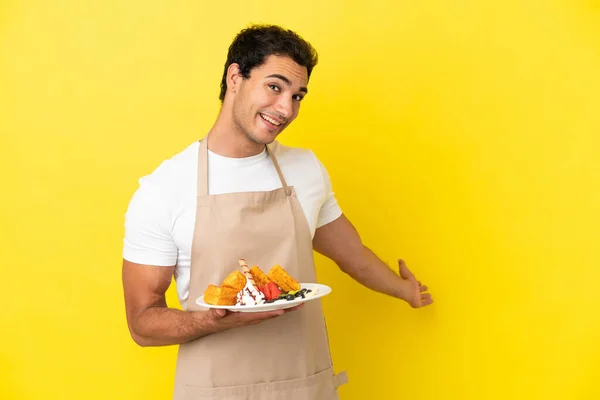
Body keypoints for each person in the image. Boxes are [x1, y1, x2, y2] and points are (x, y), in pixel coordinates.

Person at [121, 24, 433, 399]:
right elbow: (142, 323)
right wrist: (212, 319)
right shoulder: (164, 189)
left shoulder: (306, 170)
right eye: (275, 86)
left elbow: (353, 255)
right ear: (235, 77)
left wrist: (405, 291)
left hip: (304, 385)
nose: (286, 109)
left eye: (298, 95)